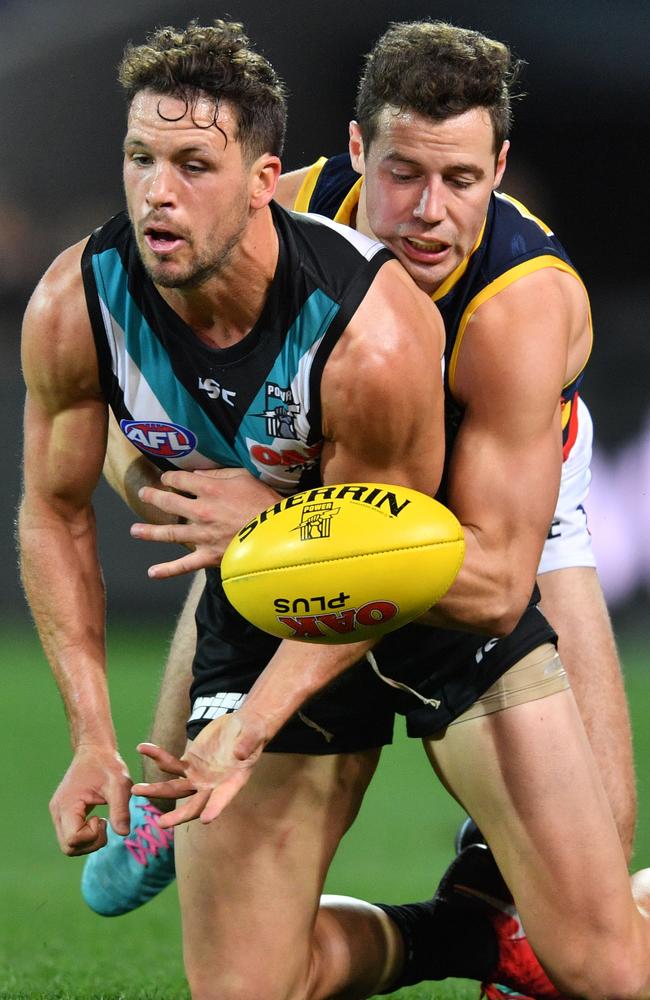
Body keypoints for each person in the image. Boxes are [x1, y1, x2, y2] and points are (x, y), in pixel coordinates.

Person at [77, 19, 650, 1000]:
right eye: (400, 174)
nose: (427, 212)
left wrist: (266, 520)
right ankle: (173, 811)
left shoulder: (519, 310)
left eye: (461, 181)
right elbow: (152, 414)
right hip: (325, 497)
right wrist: (161, 474)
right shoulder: (278, 212)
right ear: (351, 153)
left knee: (594, 942)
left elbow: (493, 581)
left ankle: (506, 919)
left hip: (495, 526)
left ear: (499, 168)